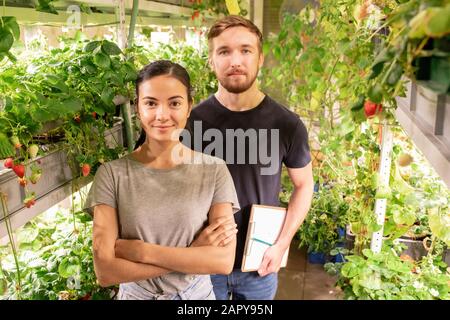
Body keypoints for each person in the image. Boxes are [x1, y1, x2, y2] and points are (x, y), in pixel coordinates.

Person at [84, 60, 240, 300]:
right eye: (151, 103)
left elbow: (222, 261)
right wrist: (194, 253)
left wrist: (142, 251)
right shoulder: (111, 174)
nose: (162, 115)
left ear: (189, 107)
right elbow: (105, 271)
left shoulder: (214, 170)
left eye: (175, 103)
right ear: (138, 108)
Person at [185, 16, 314, 300]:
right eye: (224, 51)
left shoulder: (286, 124)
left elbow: (304, 185)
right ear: (211, 60)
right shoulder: (189, 122)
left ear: (260, 58)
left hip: (259, 263)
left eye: (245, 50)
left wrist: (282, 243)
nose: (235, 60)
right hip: (203, 263)